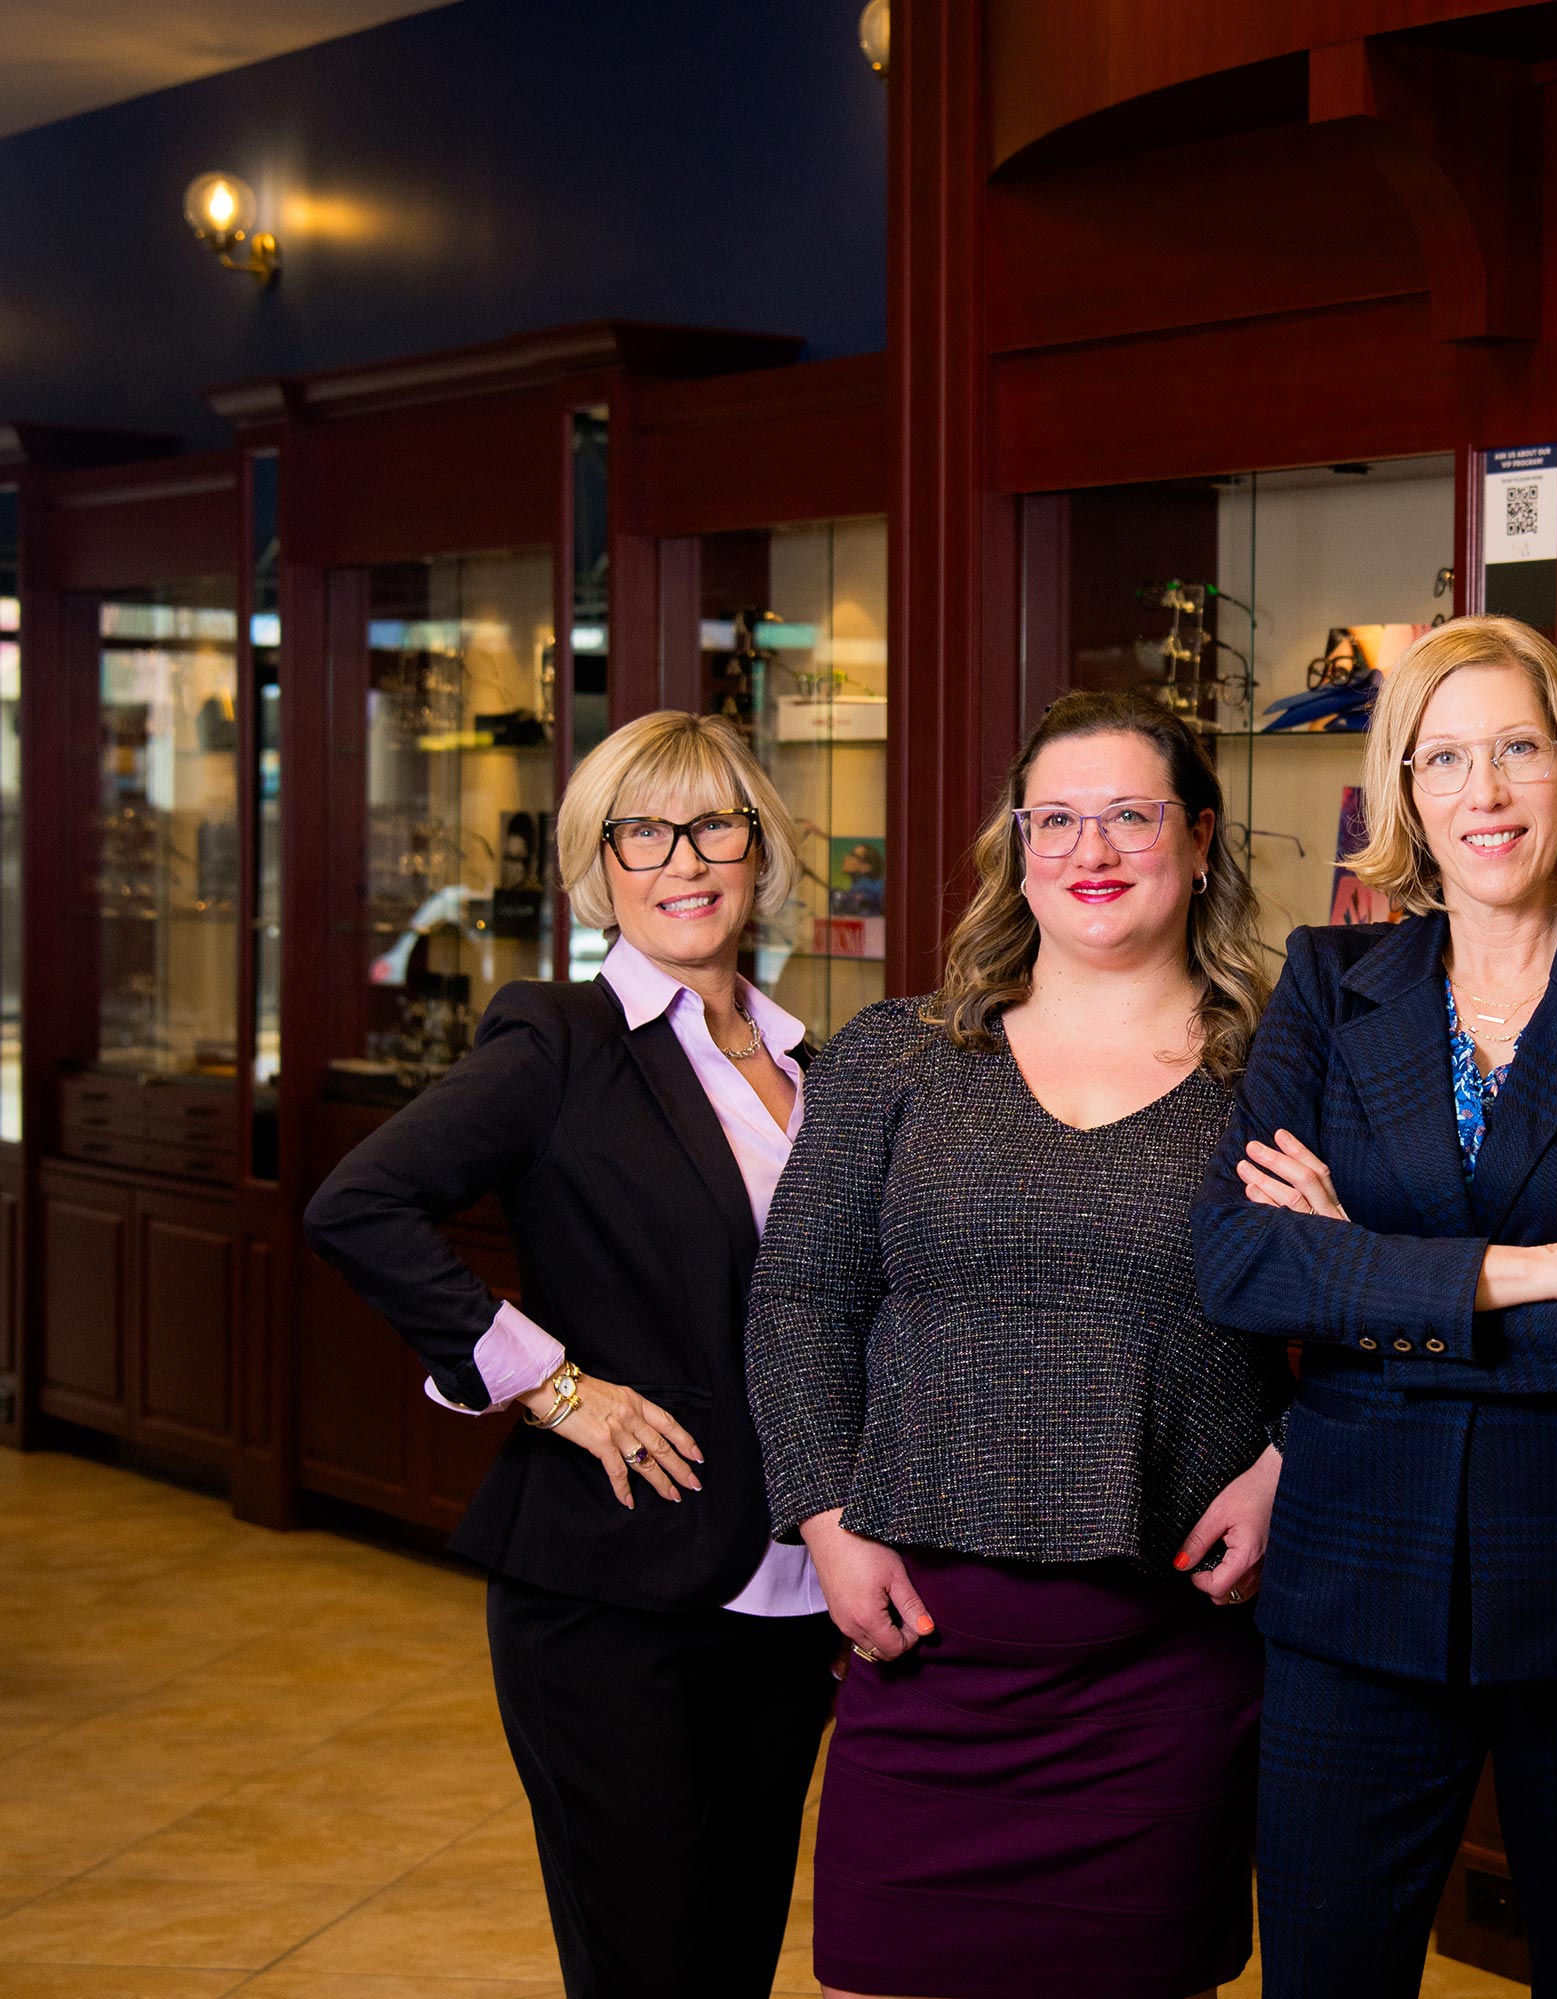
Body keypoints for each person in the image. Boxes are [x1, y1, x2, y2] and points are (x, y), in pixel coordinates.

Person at [1191, 614, 1557, 1998]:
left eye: (1518, 748)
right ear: (1402, 791)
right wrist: (1554, 1261)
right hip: (1355, 1583)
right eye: (1443, 758)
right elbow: (1242, 1263)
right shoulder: (1327, 985)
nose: (1483, 792)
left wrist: (1370, 1287)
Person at [747, 689, 1289, 1999]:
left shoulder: (1278, 1068)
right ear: (1016, 844)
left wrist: (1291, 1464)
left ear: (1202, 839)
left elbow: (1359, 1317)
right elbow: (801, 1299)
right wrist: (823, 1513)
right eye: (1056, 818)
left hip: (1164, 1670)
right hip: (924, 1651)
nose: (1091, 850)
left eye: (1130, 816)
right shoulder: (898, 1056)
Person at [304, 710, 833, 1995]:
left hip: (793, 1590)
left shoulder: (828, 1061)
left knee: (736, 1957)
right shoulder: (559, 1039)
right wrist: (552, 1385)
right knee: (644, 1965)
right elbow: (356, 1206)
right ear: (599, 867)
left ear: (759, 849)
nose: (682, 859)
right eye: (638, 833)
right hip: (610, 1588)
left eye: (715, 823)